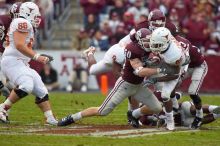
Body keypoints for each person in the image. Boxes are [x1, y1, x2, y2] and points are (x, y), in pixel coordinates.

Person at [57, 28, 176, 126]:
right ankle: (72, 117)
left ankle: (133, 114)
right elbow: (140, 71)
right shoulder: (132, 49)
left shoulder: (150, 47)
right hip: (125, 84)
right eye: (145, 41)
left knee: (156, 107)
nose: (148, 44)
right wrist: (160, 69)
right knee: (102, 111)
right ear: (139, 41)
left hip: (138, 86)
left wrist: (157, 61)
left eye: (149, 41)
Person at [0, 2, 57, 125]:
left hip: (20, 62)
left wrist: (40, 57)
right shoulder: (23, 23)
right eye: (36, 15)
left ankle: (50, 118)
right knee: (26, 85)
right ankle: (3, 108)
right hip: (12, 61)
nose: (38, 18)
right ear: (28, 13)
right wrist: (37, 56)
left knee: (41, 90)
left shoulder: (25, 24)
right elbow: (20, 45)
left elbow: (23, 47)